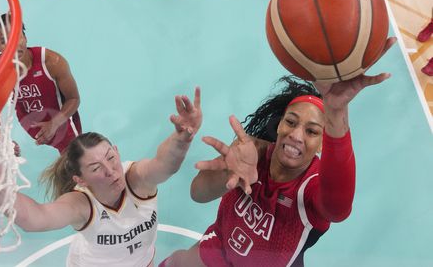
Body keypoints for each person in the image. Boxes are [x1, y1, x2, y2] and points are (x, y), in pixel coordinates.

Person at [160, 38, 396, 267]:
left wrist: (336, 111)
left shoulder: (311, 187)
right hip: (220, 249)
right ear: (279, 124)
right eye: (291, 122)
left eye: (312, 131)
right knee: (177, 262)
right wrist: (228, 171)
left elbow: (339, 209)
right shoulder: (252, 151)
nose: (296, 135)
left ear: (322, 143)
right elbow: (197, 193)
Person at [0, 87, 202, 267]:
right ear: (80, 180)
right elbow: (33, 218)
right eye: (96, 168)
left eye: (110, 157)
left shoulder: (137, 178)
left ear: (117, 151)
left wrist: (182, 139)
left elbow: (165, 165)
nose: (110, 170)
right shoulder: (81, 204)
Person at [0, 13, 82, 154]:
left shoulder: (51, 61)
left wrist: (54, 123)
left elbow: (74, 99)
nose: (13, 44)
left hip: (62, 118)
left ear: (25, 37)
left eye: (17, 36)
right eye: (4, 41)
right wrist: (3, 141)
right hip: (30, 121)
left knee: (75, 156)